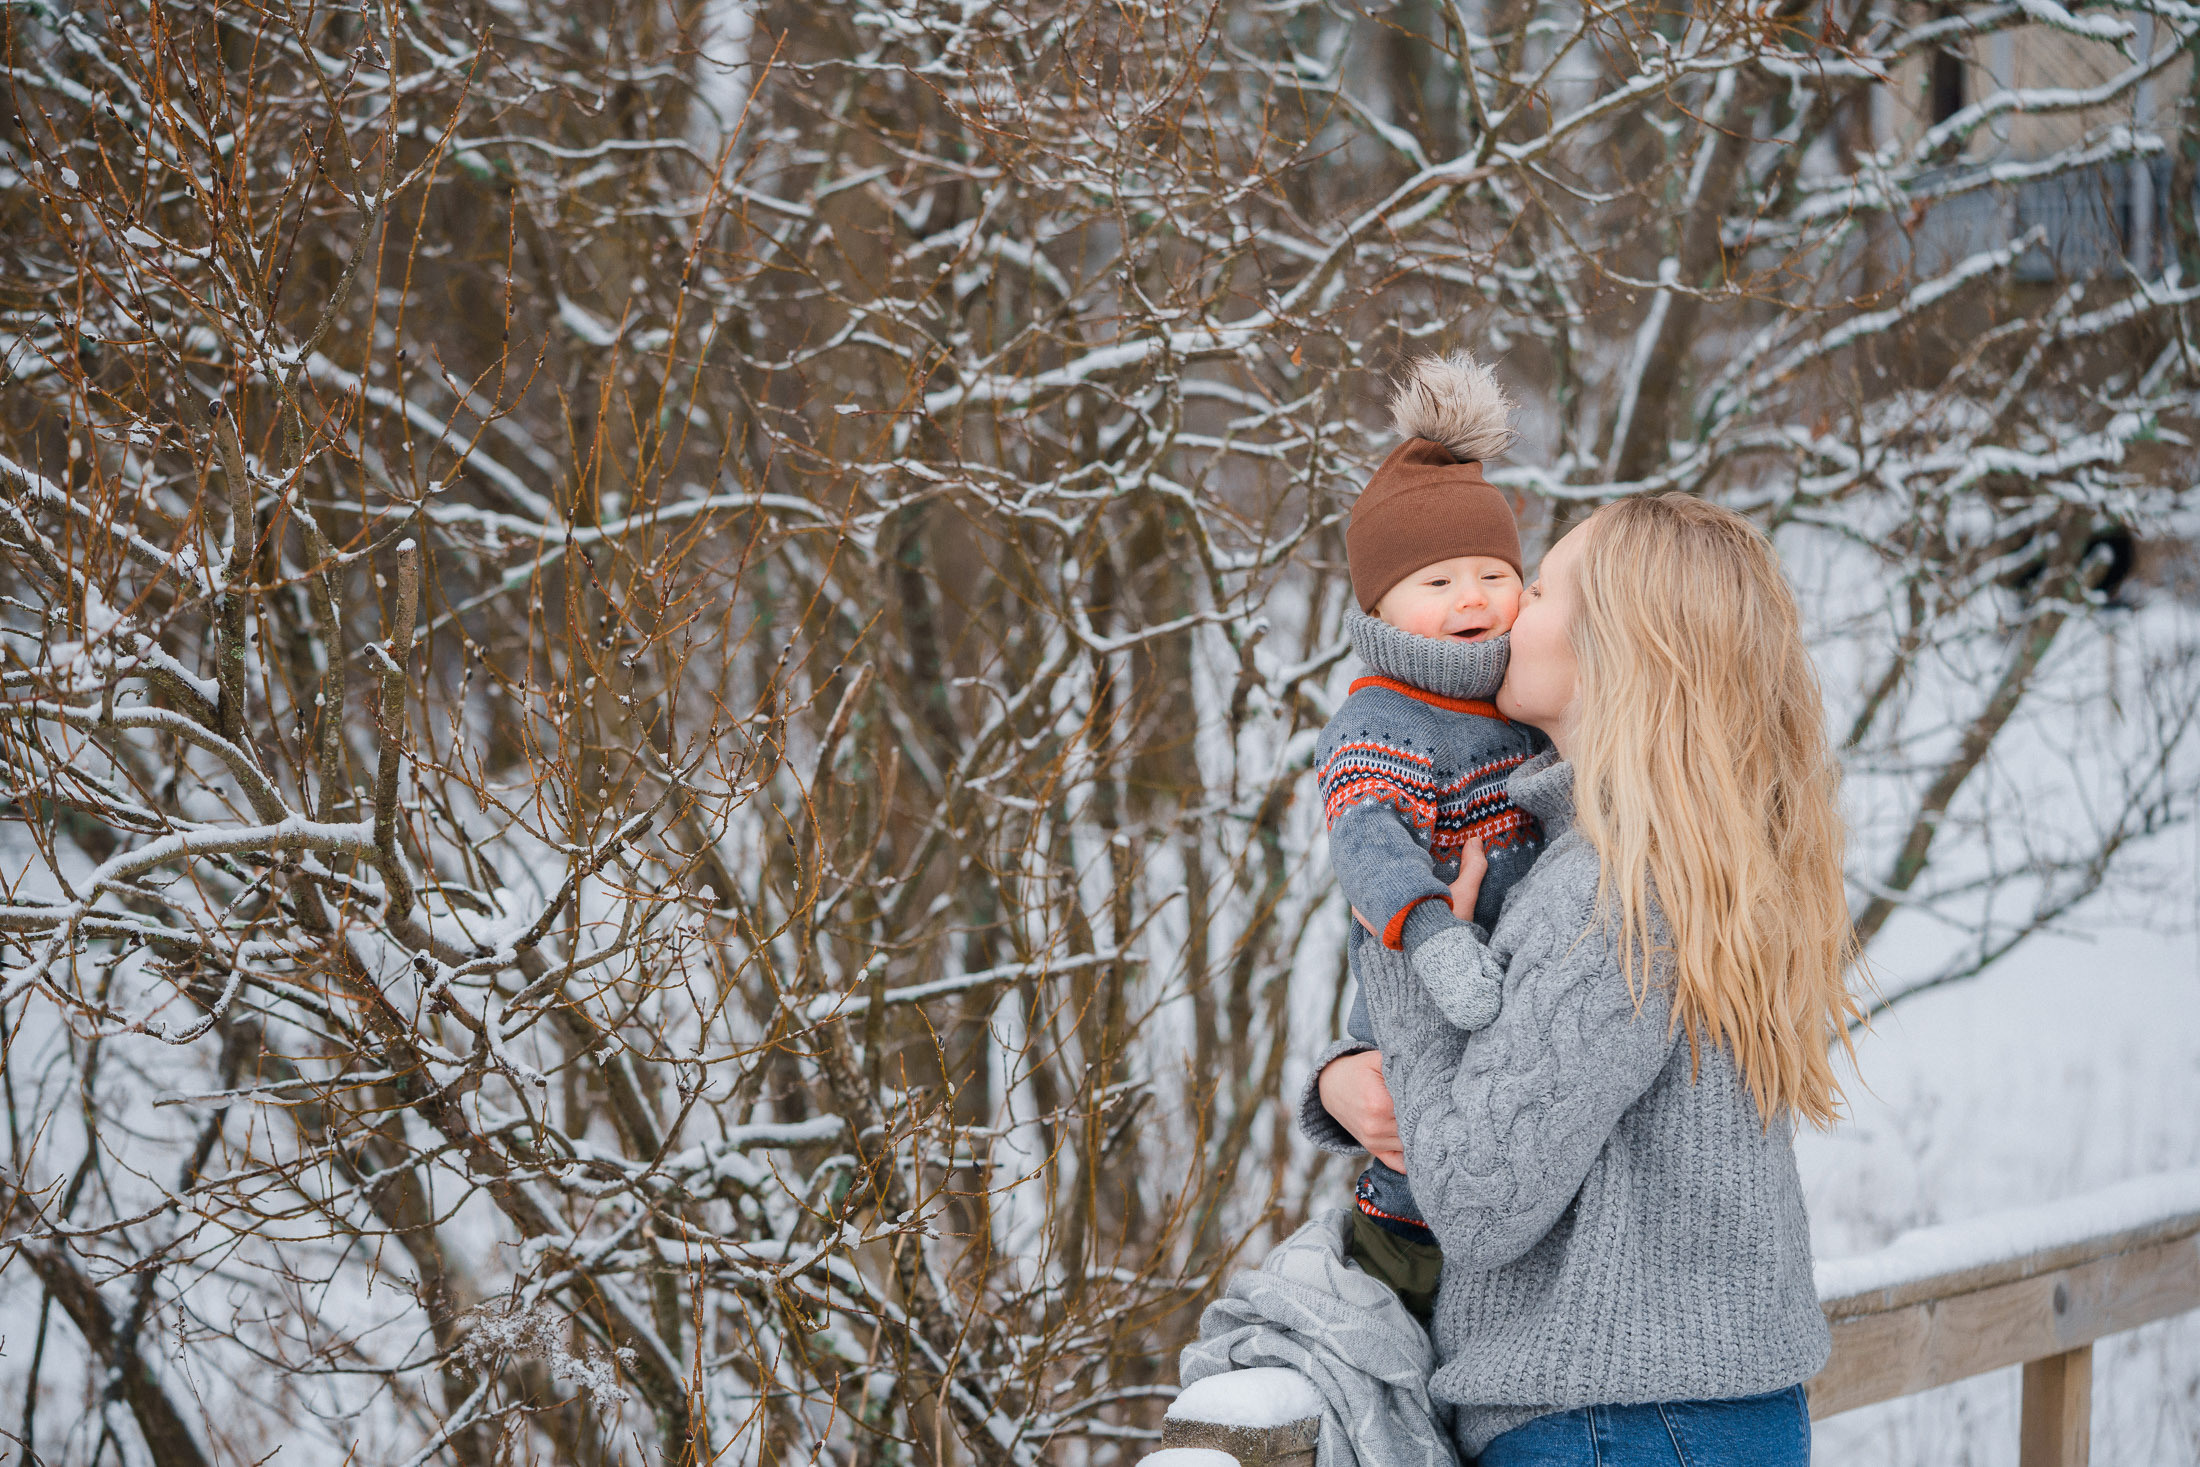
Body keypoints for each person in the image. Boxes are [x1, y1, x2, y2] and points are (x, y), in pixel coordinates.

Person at [1300, 493, 1864, 1466]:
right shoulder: (1688, 863)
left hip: (1612, 1425)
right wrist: (1346, 1074)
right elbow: (1519, 1087)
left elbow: (1476, 1203)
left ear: (1620, 648)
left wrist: (1396, 945)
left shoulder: (1612, 893)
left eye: (1542, 586)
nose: (1508, 607)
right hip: (1691, 1417)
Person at [1314, 350, 1551, 1322]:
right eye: (1439, 579)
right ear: (1379, 606)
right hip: (1430, 973)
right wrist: (1431, 934)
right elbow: (1367, 845)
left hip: (1515, 1007)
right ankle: (1388, 1261)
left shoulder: (1521, 697)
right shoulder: (1383, 722)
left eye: (1493, 574)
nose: (1472, 599)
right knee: (1417, 1152)